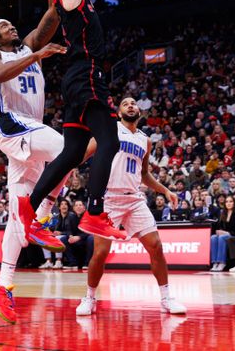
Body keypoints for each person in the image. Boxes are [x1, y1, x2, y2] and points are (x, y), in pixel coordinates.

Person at [0, 0, 92, 323]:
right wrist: (39, 54)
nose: (13, 27)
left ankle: (3, 285)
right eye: (5, 26)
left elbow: (54, 11)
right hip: (13, 129)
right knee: (76, 148)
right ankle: (43, 215)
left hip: (29, 134)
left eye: (13, 25)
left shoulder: (30, 46)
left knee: (15, 216)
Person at [17, 0, 125, 247]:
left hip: (76, 78)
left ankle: (29, 210)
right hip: (88, 75)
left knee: (74, 151)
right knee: (109, 142)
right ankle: (94, 213)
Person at [75, 97, 186, 316]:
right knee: (101, 253)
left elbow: (144, 175)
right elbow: (83, 154)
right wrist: (65, 165)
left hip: (134, 199)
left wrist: (165, 190)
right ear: (118, 111)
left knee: (156, 246)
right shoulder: (109, 130)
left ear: (139, 110)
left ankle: (166, 298)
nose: (131, 106)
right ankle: (89, 297)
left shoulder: (145, 140)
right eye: (126, 103)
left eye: (134, 103)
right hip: (108, 198)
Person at [210, 197, 235, 272]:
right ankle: (215, 262)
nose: (228, 203)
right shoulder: (222, 214)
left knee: (222, 237)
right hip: (224, 235)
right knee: (213, 237)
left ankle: (222, 262)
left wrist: (228, 233)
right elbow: (219, 227)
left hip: (234, 236)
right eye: (227, 201)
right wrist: (218, 231)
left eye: (231, 201)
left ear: (234, 203)